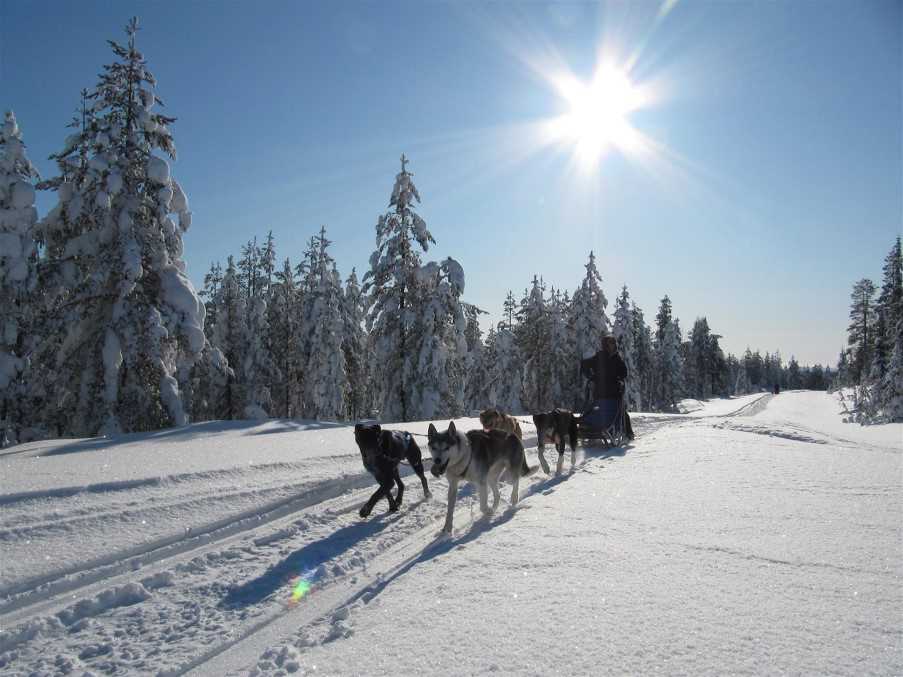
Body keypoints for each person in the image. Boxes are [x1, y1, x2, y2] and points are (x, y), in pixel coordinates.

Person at [580, 335, 635, 441]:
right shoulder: (600, 356)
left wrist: (619, 378)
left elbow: (624, 373)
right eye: (610, 343)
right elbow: (584, 364)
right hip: (601, 392)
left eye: (613, 343)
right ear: (605, 345)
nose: (612, 345)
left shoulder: (617, 359)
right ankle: (595, 427)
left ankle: (628, 433)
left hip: (613, 392)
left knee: (621, 412)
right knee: (600, 410)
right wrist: (591, 376)